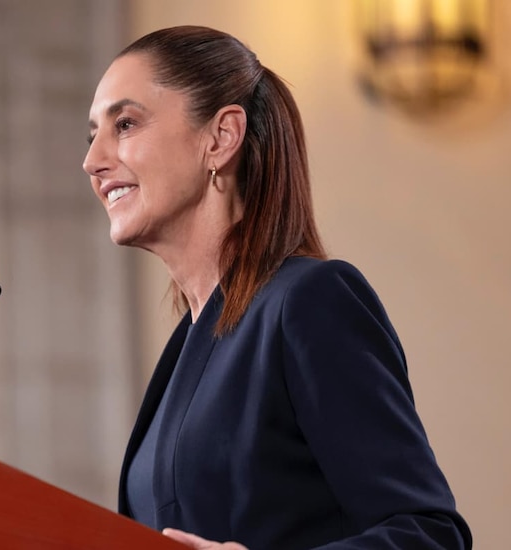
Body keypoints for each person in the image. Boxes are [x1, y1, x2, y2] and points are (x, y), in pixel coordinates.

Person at [82, 26, 471, 549]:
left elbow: (430, 535)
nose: (93, 161)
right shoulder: (188, 344)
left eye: (124, 124)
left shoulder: (310, 301)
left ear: (220, 138)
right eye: (92, 136)